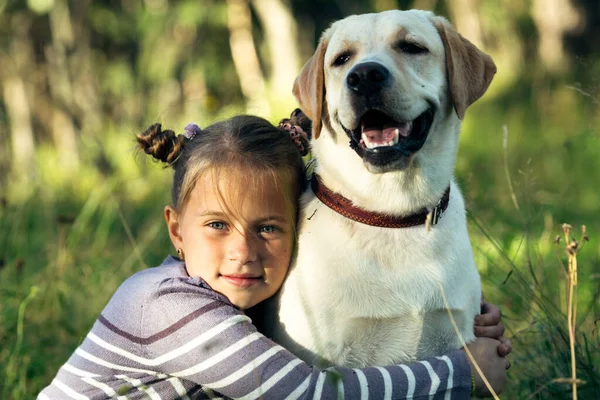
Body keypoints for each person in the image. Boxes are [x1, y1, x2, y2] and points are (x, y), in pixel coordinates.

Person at [38, 115, 510, 399]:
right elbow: (306, 393)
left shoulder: (237, 301)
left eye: (267, 228)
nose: (243, 253)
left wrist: (454, 318)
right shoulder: (163, 305)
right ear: (176, 230)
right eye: (217, 225)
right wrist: (461, 371)